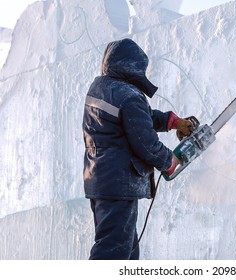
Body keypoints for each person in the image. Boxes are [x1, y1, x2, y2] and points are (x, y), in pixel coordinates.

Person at [82, 38, 193, 260]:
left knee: (126, 249)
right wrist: (168, 161)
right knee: (113, 252)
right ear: (132, 66)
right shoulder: (129, 96)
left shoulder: (102, 88)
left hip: (102, 181)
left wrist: (172, 122)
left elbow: (138, 119)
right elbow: (145, 142)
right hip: (119, 184)